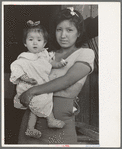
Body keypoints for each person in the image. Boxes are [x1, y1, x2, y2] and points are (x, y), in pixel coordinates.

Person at [18, 7, 95, 144]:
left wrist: (32, 91)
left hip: (60, 122)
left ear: (78, 33)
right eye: (59, 29)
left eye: (69, 30)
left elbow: (66, 81)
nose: (63, 35)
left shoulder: (85, 53)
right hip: (32, 121)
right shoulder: (48, 54)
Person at [10, 20, 67, 139]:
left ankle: (30, 128)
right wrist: (27, 78)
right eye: (30, 40)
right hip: (28, 86)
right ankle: (50, 120)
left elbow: (52, 63)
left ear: (44, 42)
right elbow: (17, 68)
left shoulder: (45, 55)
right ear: (25, 43)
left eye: (39, 40)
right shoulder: (24, 57)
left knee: (36, 107)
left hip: (40, 85)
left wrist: (60, 64)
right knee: (40, 101)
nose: (35, 43)